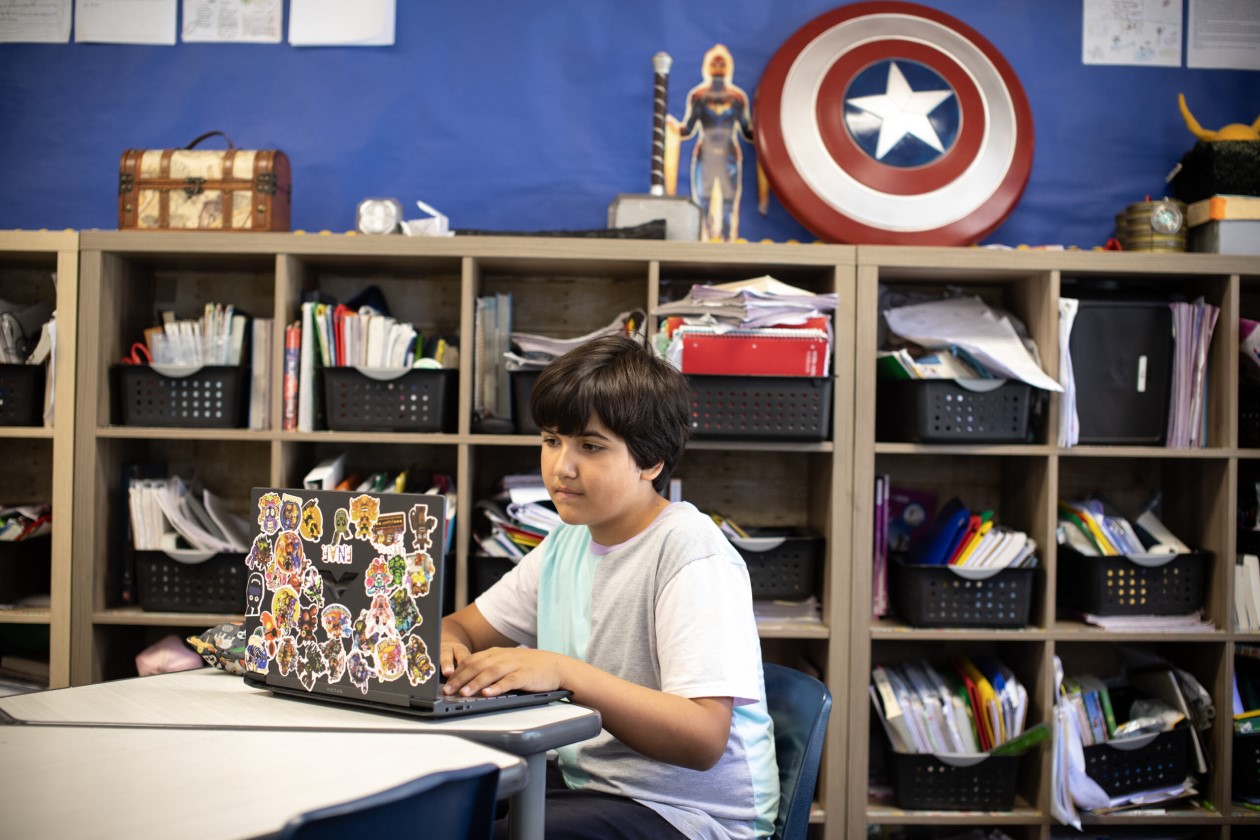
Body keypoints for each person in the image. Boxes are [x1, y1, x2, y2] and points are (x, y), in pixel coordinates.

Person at [441, 334, 778, 840]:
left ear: (651, 461)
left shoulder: (689, 550)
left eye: (591, 446)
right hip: (591, 784)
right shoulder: (565, 542)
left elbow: (703, 738)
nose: (561, 467)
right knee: (440, 802)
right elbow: (461, 626)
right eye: (552, 440)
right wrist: (449, 648)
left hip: (691, 814)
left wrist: (561, 671)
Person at [673, 44, 753, 242]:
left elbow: (747, 131)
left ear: (729, 67)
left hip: (729, 157)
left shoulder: (737, 98)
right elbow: (688, 129)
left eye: (722, 62)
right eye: (715, 62)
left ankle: (727, 247)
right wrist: (671, 128)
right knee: (703, 205)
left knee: (728, 205)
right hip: (705, 157)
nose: (718, 66)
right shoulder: (698, 97)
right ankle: (704, 246)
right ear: (707, 66)